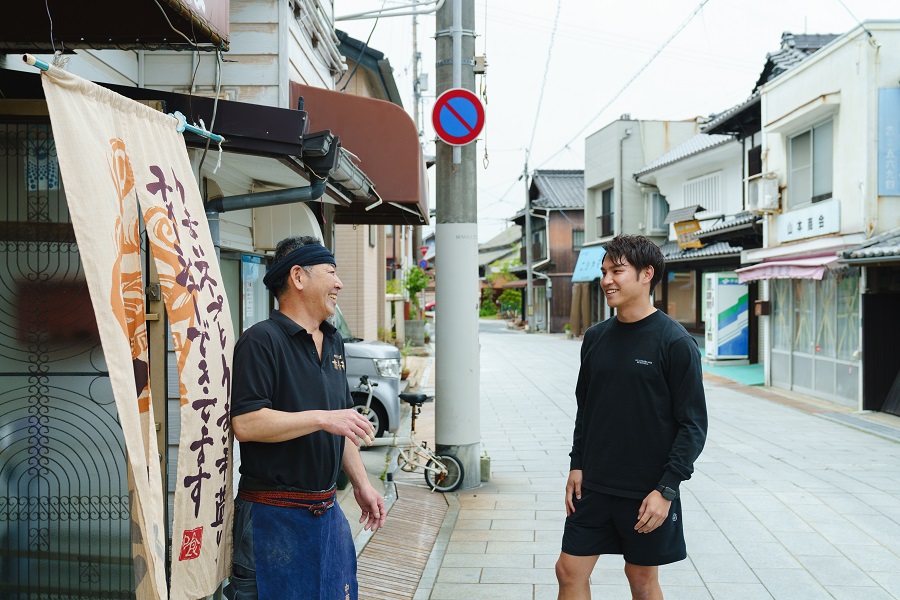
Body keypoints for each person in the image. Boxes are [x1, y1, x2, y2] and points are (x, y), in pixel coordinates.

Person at [226, 236, 385, 600]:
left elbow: (341, 423)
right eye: (331, 272)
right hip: (271, 517)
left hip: (326, 515)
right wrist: (321, 419)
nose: (339, 283)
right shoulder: (261, 341)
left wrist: (361, 483)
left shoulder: (334, 342)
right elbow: (246, 424)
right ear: (298, 277)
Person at [555, 235, 708, 600]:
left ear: (646, 275)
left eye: (617, 271)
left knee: (640, 578)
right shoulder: (595, 338)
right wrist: (577, 465)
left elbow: (693, 426)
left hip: (646, 491)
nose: (607, 279)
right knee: (568, 570)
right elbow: (586, 408)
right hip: (593, 484)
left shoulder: (675, 343)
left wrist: (666, 490)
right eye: (604, 271)